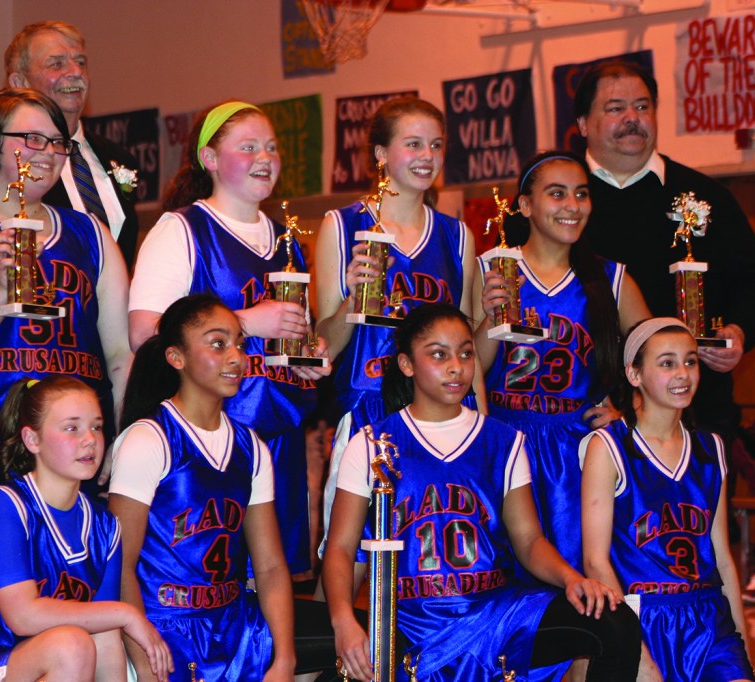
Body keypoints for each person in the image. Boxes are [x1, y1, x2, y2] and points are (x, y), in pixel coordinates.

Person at [324, 303, 642, 681]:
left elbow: (528, 541)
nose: (457, 366)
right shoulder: (373, 443)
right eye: (439, 355)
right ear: (407, 365)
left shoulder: (505, 441)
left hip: (496, 616)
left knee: (615, 621)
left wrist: (572, 579)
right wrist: (343, 621)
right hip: (412, 625)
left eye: (465, 353)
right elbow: (341, 548)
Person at [128, 101, 330, 579]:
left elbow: (292, 334)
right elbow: (143, 332)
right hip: (206, 440)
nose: (265, 156)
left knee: (271, 583)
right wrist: (246, 324)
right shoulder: (181, 229)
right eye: (249, 147)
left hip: (277, 435)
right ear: (211, 159)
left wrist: (308, 356)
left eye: (272, 147)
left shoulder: (287, 240)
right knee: (206, 581)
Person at [0, 87, 130, 511]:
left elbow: (120, 356)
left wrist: (119, 438)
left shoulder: (93, 234)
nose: (48, 152)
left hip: (74, 450)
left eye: (57, 142)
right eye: (32, 139)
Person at [575, 59, 755, 441]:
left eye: (643, 106)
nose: (633, 118)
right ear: (583, 123)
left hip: (694, 413)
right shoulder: (559, 202)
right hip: (584, 414)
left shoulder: (706, 196)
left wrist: (739, 331)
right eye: (616, 108)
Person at [0, 376, 172, 682]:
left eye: (96, 426)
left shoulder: (105, 525)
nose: (89, 439)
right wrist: (127, 614)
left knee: (96, 633)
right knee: (71, 644)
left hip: (47, 664)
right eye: (72, 428)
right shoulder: (3, 505)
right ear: (32, 440)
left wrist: (118, 619)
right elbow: (22, 616)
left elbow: (105, 630)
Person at [475, 151, 650, 570]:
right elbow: (465, 371)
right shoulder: (488, 269)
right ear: (525, 204)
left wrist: (630, 409)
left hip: (578, 446)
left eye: (582, 194)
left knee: (579, 575)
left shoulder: (611, 278)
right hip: (505, 437)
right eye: (557, 194)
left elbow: (658, 357)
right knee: (504, 576)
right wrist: (486, 320)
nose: (573, 206)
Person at [109, 294, 296, 681]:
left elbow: (272, 566)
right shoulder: (149, 440)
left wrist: (285, 657)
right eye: (218, 344)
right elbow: (120, 563)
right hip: (161, 632)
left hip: (236, 631)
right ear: (176, 358)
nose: (236, 357)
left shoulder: (252, 448)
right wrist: (143, 660)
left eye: (240, 344)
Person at [582, 318, 754, 681]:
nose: (683, 373)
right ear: (634, 374)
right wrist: (635, 648)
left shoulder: (712, 448)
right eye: (667, 362)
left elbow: (723, 558)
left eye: (690, 361)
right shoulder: (608, 447)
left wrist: (743, 647)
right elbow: (596, 562)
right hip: (641, 616)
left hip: (708, 620)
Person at [315, 95, 476, 430]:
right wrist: (353, 299)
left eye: (435, 145)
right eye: (414, 144)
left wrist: (483, 427)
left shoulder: (458, 236)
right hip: (367, 405)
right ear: (381, 154)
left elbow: (467, 346)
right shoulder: (342, 226)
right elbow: (324, 344)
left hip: (444, 409)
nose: (428, 156)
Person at [0, 21, 141, 269]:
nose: (75, 72)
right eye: (57, 63)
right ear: (19, 82)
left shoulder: (117, 158)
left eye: (81, 62)